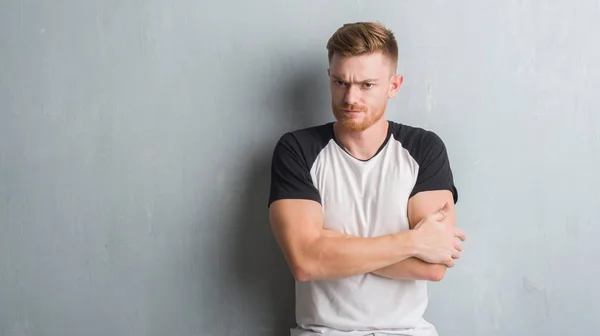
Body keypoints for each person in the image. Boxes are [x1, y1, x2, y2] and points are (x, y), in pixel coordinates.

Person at [267, 21, 466, 336]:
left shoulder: (424, 148)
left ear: (394, 85)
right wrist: (413, 242)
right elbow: (305, 262)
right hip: (323, 332)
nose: (350, 98)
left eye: (367, 85)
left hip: (407, 331)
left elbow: (433, 265)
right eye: (341, 83)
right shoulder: (298, 149)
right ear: (329, 78)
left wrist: (328, 247)